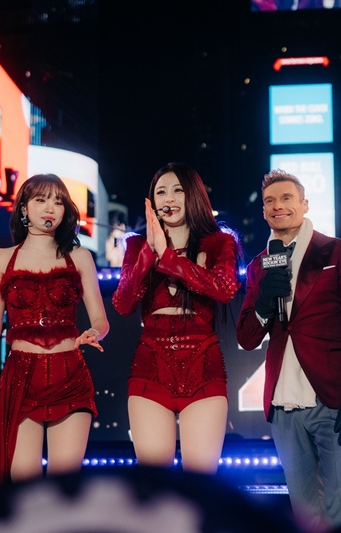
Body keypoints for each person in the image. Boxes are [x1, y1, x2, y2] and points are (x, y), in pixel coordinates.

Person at [235, 169, 341, 530]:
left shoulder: (340, 251)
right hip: (283, 406)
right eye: (270, 201)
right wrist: (265, 302)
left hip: (332, 398)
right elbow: (246, 338)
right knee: (304, 511)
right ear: (263, 211)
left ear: (304, 204)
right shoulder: (258, 265)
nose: (277, 206)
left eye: (286, 198)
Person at [0, 173, 109, 487]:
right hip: (21, 378)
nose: (50, 207)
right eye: (41, 199)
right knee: (24, 490)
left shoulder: (79, 257)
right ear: (24, 208)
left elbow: (100, 319)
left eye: (58, 201)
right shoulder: (0, 259)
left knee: (63, 489)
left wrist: (94, 332)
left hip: (69, 376)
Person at [111, 162, 240, 474]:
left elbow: (224, 289)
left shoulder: (219, 242)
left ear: (193, 195)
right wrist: (149, 251)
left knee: (201, 482)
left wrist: (167, 257)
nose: (168, 198)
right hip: (151, 368)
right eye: (161, 192)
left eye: (177, 190)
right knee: (155, 485)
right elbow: (123, 303)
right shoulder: (136, 245)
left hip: (203, 368)